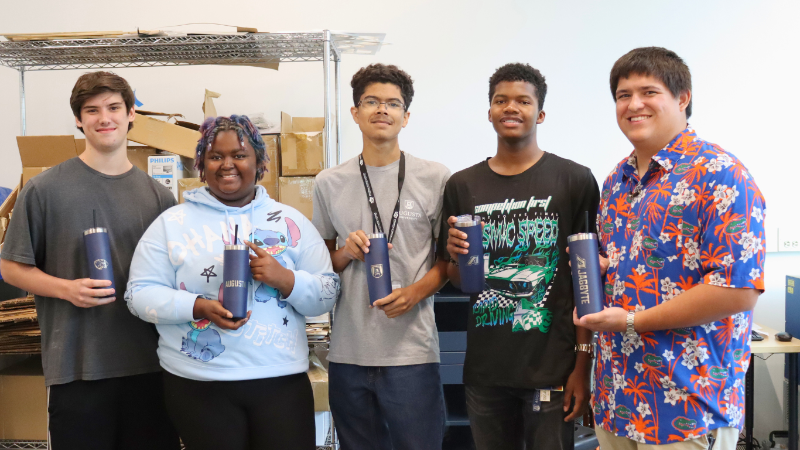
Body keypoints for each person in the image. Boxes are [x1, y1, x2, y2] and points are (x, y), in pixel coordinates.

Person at [575, 47, 766, 449]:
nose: (634, 104)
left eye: (648, 91)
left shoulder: (720, 174)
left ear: (683, 98)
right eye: (623, 95)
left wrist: (631, 321)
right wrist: (598, 274)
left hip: (687, 406)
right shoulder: (616, 182)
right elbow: (641, 269)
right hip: (618, 397)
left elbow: (738, 290)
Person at [125, 115, 339, 450]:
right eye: (215, 156)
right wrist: (198, 306)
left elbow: (327, 293)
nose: (228, 165)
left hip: (279, 381)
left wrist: (286, 279)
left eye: (239, 155)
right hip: (198, 385)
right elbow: (138, 295)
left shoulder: (289, 220)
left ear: (259, 162)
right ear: (201, 164)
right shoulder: (172, 223)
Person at [0, 71, 180, 450]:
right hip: (76, 369)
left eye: (114, 107)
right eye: (92, 110)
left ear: (132, 114)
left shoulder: (158, 197)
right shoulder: (44, 190)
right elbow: (11, 266)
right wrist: (66, 289)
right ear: (79, 120)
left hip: (150, 365)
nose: (105, 118)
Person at [443, 63, 598, 450]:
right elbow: (460, 280)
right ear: (490, 111)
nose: (510, 108)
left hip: (553, 367)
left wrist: (583, 366)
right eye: (501, 100)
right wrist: (456, 258)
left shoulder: (575, 180)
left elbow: (588, 282)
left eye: (523, 101)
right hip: (486, 370)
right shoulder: (462, 184)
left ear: (540, 113)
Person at [312, 63, 450, 450]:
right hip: (348, 353)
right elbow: (321, 264)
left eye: (393, 103)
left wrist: (416, 293)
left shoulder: (435, 177)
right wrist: (345, 252)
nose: (382, 110)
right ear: (355, 113)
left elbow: (448, 262)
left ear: (406, 117)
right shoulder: (328, 182)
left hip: (412, 352)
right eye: (371, 101)